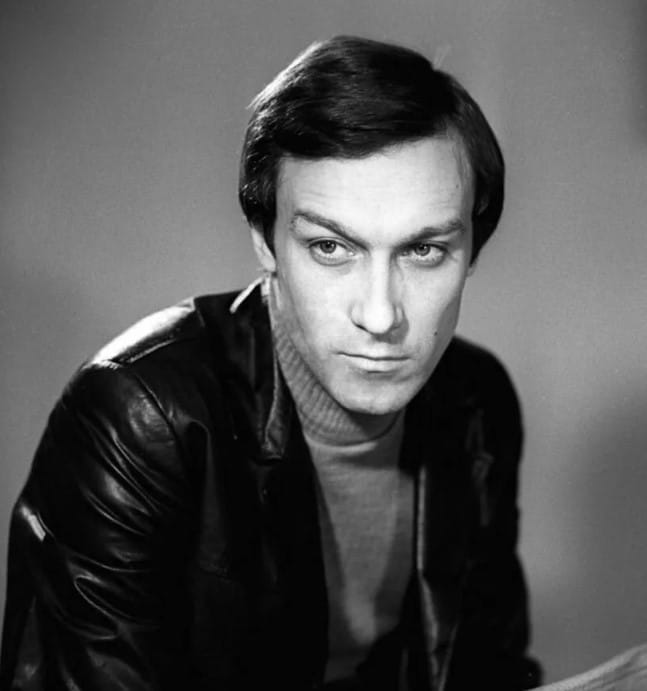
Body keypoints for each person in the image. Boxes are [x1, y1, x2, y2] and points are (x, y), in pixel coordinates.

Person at [0, 36, 542, 690]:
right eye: (330, 247)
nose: (379, 315)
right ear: (264, 240)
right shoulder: (138, 417)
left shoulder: (477, 400)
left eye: (423, 250)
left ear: (471, 250)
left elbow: (488, 669)